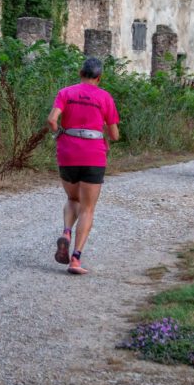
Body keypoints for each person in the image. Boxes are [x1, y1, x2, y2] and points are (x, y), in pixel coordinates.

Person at [47, 57, 120, 275]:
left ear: (81, 73)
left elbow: (52, 120)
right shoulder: (105, 97)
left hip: (67, 154)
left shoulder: (66, 93)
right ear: (99, 77)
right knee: (87, 208)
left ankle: (67, 232)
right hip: (93, 156)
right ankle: (76, 260)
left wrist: (59, 133)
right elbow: (114, 135)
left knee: (72, 198)